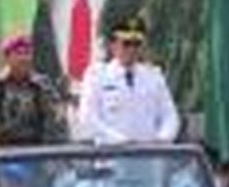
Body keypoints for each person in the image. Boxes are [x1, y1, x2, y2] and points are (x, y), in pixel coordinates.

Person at [77, 16, 179, 144]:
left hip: (149, 156)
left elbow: (170, 115)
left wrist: (162, 139)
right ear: (113, 46)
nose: (132, 50)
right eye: (126, 44)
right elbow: (88, 118)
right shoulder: (97, 76)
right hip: (111, 157)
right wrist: (121, 142)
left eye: (137, 44)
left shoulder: (153, 76)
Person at [0, 34, 67, 147]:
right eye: (18, 53)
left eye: (27, 53)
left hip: (36, 149)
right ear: (7, 57)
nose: (24, 58)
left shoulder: (41, 85)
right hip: (2, 150)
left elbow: (58, 114)